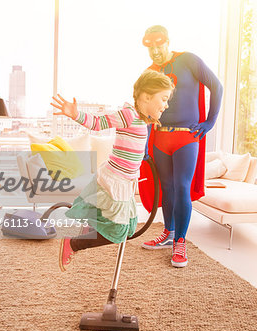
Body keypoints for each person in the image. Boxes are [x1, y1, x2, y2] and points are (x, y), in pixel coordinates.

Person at [50, 69, 174, 271]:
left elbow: (133, 143)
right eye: (164, 98)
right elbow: (99, 123)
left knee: (127, 228)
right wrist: (75, 114)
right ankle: (73, 244)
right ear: (147, 96)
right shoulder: (128, 114)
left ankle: (86, 231)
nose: (166, 104)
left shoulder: (142, 119)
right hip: (114, 180)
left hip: (125, 182)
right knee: (118, 231)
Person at [139, 25, 223, 267]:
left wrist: (210, 122)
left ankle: (181, 242)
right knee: (166, 187)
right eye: (149, 47)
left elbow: (216, 86)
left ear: (167, 41)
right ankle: (168, 233)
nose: (155, 50)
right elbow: (145, 110)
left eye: (158, 44)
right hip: (161, 137)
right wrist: (145, 145)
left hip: (187, 137)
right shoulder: (149, 73)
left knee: (182, 187)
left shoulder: (188, 60)